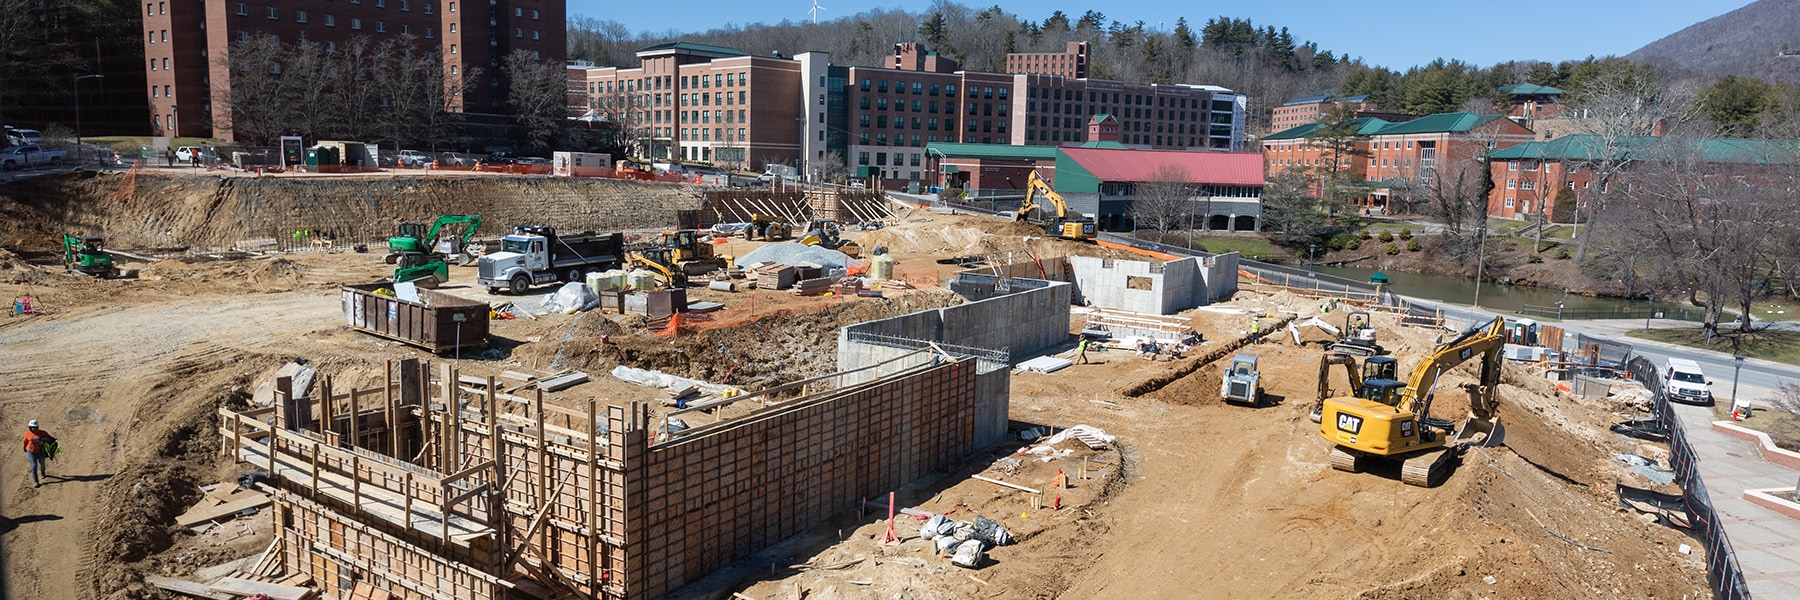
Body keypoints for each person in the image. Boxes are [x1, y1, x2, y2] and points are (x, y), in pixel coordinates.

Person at [23, 419, 57, 488]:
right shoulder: (28, 434)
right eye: (32, 427)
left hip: (41, 452)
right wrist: (24, 447)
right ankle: (36, 481)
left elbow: (50, 439)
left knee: (42, 464)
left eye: (35, 427)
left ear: (37, 427)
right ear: (29, 427)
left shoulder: (43, 433)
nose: (33, 429)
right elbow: (25, 441)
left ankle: (43, 473)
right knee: (34, 466)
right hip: (31, 452)